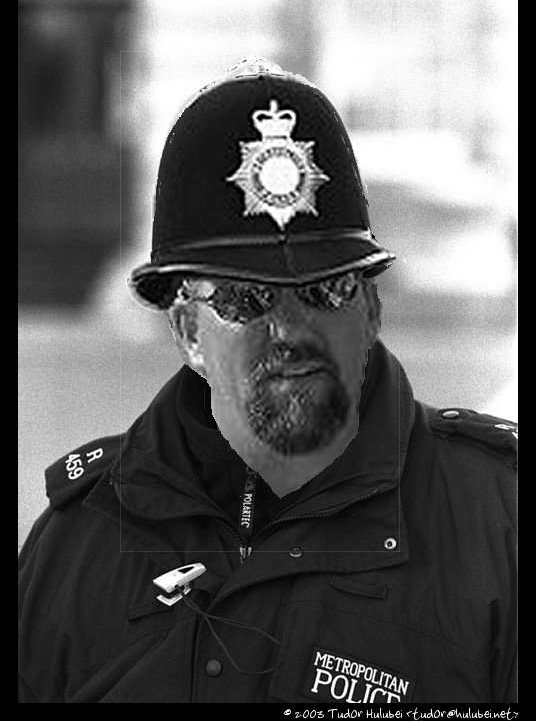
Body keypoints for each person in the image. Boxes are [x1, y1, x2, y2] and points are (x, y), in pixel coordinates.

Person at [18, 57, 517, 704]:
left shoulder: (497, 522)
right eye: (244, 300)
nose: (290, 331)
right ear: (188, 331)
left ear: (370, 309)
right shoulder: (77, 542)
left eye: (325, 291)